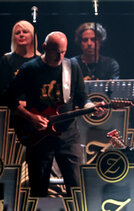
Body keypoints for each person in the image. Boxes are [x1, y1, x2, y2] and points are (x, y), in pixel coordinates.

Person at [4, 31, 104, 197]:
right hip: (38, 138)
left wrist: (92, 107)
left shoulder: (72, 67)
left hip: (68, 137)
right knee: (38, 191)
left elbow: (82, 98)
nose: (60, 56)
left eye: (63, 52)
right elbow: (8, 98)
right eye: (56, 51)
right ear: (44, 48)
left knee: (77, 189)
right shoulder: (30, 69)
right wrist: (31, 117)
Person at [0, 20, 40, 104]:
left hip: (36, 110)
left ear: (32, 35)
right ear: (13, 37)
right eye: (17, 33)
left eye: (25, 32)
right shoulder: (6, 60)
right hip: (13, 109)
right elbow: (3, 89)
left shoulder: (40, 60)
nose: (21, 35)